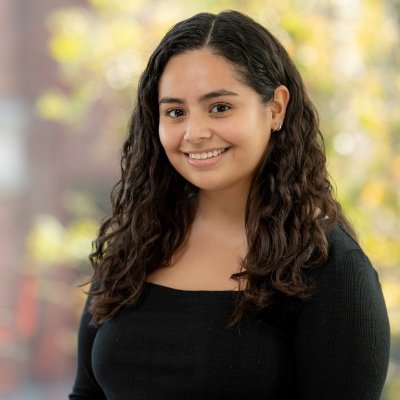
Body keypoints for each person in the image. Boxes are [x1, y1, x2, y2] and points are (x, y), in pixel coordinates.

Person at [69, 10, 390, 400]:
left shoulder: (331, 268)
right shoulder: (136, 243)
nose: (195, 133)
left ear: (275, 108)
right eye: (175, 112)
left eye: (219, 107)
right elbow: (86, 393)